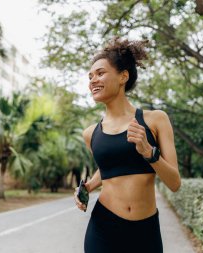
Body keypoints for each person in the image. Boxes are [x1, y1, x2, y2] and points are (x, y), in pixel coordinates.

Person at [74, 37, 181, 253]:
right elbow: (109, 168)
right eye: (90, 76)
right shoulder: (91, 134)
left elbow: (175, 183)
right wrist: (88, 187)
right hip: (103, 228)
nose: (93, 80)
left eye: (100, 73)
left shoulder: (155, 120)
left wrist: (149, 153)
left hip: (145, 231)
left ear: (123, 76)